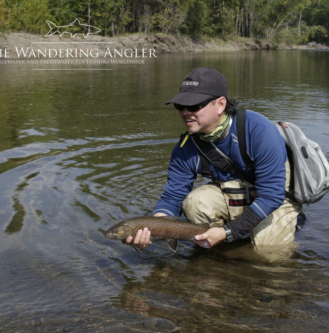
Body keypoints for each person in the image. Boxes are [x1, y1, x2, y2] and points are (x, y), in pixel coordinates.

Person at [126, 67, 302, 249]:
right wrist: (152, 228)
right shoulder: (185, 148)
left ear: (220, 104)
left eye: (194, 105)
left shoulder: (259, 130)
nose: (185, 112)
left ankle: (285, 222)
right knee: (195, 203)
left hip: (273, 197)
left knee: (268, 254)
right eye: (180, 106)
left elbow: (272, 196)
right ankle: (218, 247)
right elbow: (173, 196)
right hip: (235, 194)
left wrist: (228, 232)